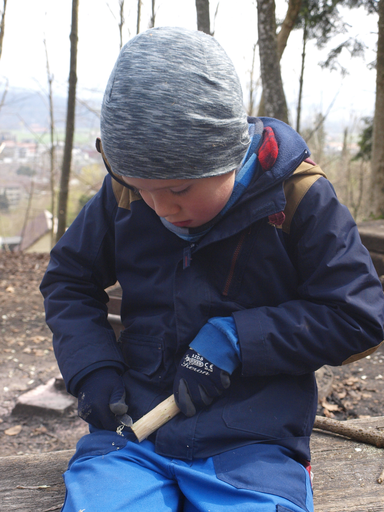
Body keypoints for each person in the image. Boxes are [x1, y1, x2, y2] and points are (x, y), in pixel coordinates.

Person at [40, 26, 384, 512]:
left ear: (229, 154)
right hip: (134, 437)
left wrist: (240, 338)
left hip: (254, 440)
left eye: (179, 190)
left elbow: (360, 316)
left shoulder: (296, 198)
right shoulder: (125, 193)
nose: (159, 207)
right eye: (142, 187)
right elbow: (68, 279)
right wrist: (92, 368)